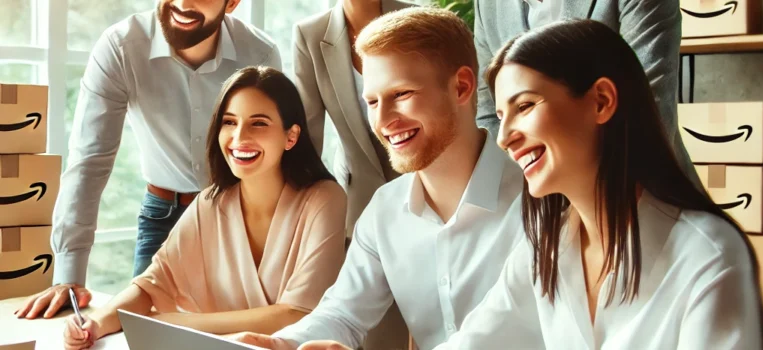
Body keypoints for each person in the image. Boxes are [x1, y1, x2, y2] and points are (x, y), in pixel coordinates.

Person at [433, 19, 763, 349]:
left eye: (524, 106)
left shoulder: (708, 257)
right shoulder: (545, 250)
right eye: (502, 117)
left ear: (601, 101)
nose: (504, 138)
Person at [225, 7, 525, 350]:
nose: (383, 120)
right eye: (371, 100)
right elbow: (343, 315)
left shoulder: (536, 201)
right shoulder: (385, 209)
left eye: (401, 94)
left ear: (461, 87)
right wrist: (281, 344)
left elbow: (501, 330)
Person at [14, 0, 282, 319]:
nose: (183, 3)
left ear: (233, 3)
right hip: (163, 218)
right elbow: (89, 160)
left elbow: (276, 159)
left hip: (242, 218)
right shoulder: (122, 46)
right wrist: (68, 277)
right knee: (146, 334)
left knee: (241, 335)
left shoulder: (260, 54)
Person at [61, 66, 347, 350]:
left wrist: (174, 323)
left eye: (258, 123)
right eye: (229, 122)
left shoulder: (325, 199)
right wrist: (95, 324)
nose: (239, 138)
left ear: (291, 136)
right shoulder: (211, 202)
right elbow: (150, 285)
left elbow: (297, 313)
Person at [472, 0, 703, 191]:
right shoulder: (488, 5)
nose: (505, 138)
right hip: (543, 220)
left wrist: (580, 205)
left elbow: (647, 107)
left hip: (642, 194)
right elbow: (487, 113)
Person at [291, 0, 417, 347]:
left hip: (429, 196)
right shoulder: (310, 34)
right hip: (359, 207)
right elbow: (308, 142)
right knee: (375, 333)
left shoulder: (417, 20)